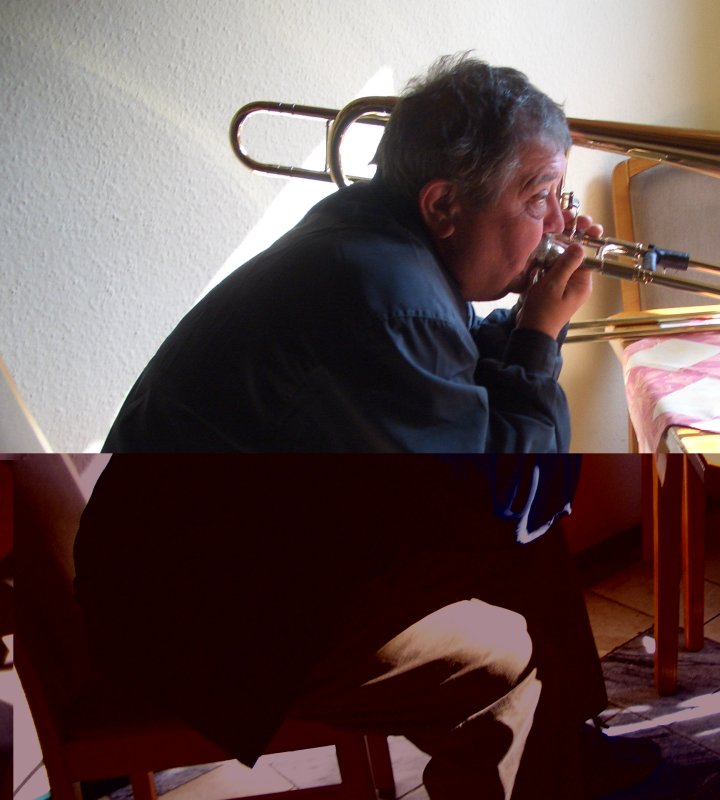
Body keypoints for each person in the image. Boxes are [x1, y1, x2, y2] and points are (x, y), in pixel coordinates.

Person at [73, 454, 661, 799]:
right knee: (504, 668)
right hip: (214, 624)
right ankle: (531, 760)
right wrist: (534, 352)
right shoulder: (382, 307)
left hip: (254, 563)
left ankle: (568, 749)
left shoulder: (353, 299)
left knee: (523, 533)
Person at [103, 54, 601, 453]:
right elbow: (506, 510)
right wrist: (538, 338)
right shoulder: (391, 301)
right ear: (443, 205)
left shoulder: (368, 236)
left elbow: (454, 376)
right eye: (540, 197)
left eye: (561, 198)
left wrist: (530, 322)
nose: (558, 225)